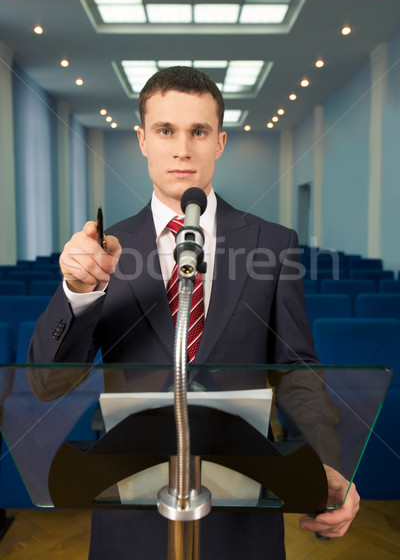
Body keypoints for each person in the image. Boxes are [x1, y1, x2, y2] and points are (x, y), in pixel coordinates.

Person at [28, 66, 359, 559]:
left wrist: (327, 467)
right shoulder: (103, 248)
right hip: (132, 508)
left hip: (246, 506)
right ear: (142, 140)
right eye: (166, 131)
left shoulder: (273, 243)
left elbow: (296, 370)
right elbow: (46, 383)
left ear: (219, 142)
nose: (182, 148)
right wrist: (78, 292)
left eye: (198, 131)